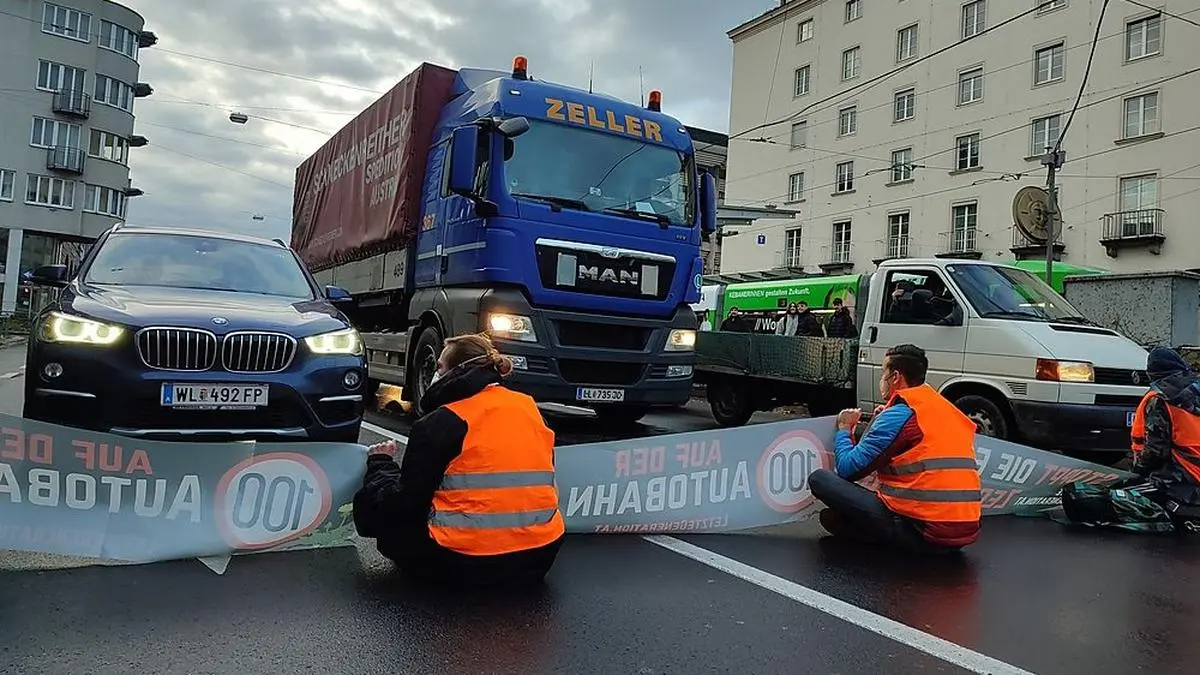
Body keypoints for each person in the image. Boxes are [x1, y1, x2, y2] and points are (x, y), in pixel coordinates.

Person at [352, 332, 565, 585]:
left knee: (391, 514)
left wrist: (380, 465)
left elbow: (405, 502)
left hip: (461, 562)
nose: (435, 374)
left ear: (456, 371)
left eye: (439, 367)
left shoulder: (444, 421)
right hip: (539, 557)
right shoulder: (529, 410)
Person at [808, 343, 982, 553]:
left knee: (820, 479)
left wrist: (844, 429)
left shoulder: (900, 415)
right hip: (964, 532)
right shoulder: (945, 409)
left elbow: (848, 469)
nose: (882, 379)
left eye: (884, 373)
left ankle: (866, 533)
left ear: (896, 377)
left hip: (924, 533)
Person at [1129, 347, 1200, 513]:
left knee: (1128, 495)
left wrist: (1138, 471)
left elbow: (1156, 450)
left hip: (1186, 475)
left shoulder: (1160, 399)